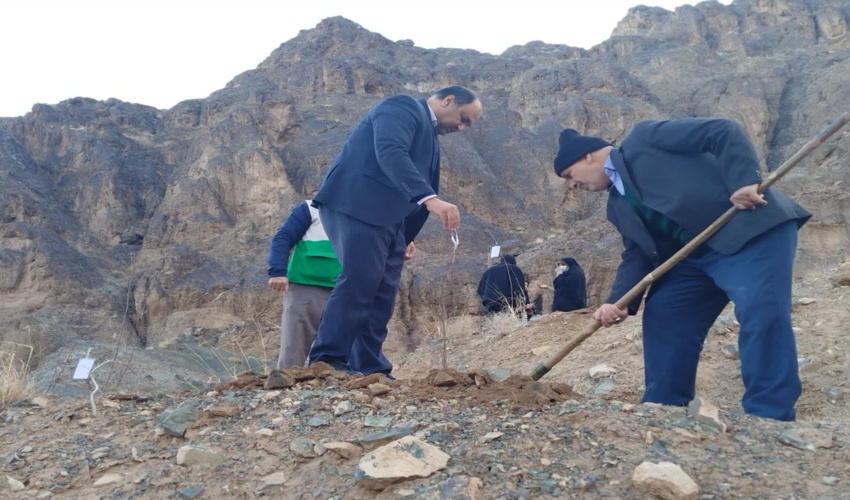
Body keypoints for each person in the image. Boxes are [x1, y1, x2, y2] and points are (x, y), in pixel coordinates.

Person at [552, 118, 811, 421]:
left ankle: (770, 415)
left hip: (748, 230)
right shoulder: (617, 205)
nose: (572, 185)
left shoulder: (644, 139)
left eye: (569, 175)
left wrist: (743, 181)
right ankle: (664, 410)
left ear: (588, 155)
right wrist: (618, 301)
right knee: (665, 313)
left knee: (760, 308)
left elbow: (722, 131)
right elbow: (637, 254)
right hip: (695, 258)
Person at [307, 86, 483, 376]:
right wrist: (431, 200)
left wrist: (406, 237)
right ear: (448, 100)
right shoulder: (402, 107)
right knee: (360, 280)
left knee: (382, 294)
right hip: (356, 204)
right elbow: (390, 152)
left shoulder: (430, 136)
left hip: (389, 222)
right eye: (464, 118)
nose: (462, 127)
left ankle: (370, 368)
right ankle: (327, 361)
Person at [267, 200, 341, 369]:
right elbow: (283, 237)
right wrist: (278, 271)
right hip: (305, 288)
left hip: (346, 290)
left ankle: (333, 392)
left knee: (341, 355)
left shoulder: (365, 211)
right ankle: (286, 391)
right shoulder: (311, 208)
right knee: (293, 351)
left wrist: (405, 240)